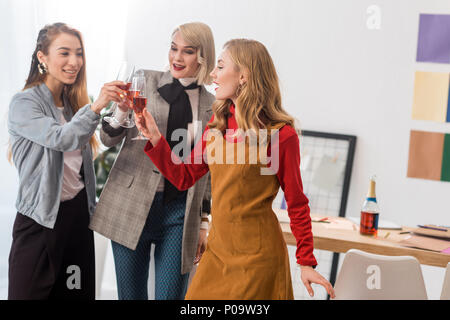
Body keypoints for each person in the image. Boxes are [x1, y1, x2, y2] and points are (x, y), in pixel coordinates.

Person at [135, 38, 336, 299]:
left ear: (244, 76)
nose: (212, 75)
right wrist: (155, 138)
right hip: (218, 253)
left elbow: (296, 202)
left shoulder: (279, 136)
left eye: (220, 67)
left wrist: (306, 262)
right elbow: (183, 177)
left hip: (258, 259)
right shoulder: (217, 126)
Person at [89, 22, 215, 300]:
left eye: (188, 51)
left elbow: (206, 172)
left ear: (203, 56)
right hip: (130, 204)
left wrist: (204, 222)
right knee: (130, 296)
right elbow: (108, 140)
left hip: (180, 213)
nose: (177, 58)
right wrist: (121, 113)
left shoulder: (213, 106)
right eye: (173, 48)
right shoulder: (144, 80)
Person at [7, 22, 124, 299]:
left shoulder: (74, 107)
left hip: (76, 221)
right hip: (40, 222)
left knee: (75, 294)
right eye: (65, 53)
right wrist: (96, 107)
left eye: (79, 54)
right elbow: (61, 138)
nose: (74, 62)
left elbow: (83, 163)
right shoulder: (23, 104)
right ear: (42, 57)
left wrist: (118, 111)